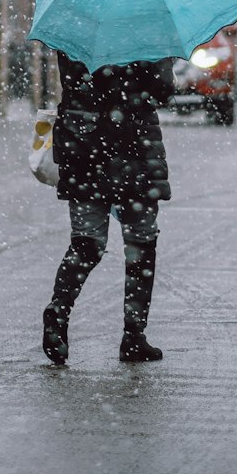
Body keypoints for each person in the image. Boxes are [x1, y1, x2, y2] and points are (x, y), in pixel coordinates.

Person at [43, 52, 173, 366]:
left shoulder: (77, 21)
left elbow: (72, 83)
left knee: (86, 243)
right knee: (140, 243)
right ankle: (133, 336)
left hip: (82, 143)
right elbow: (163, 90)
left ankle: (58, 313)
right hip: (134, 147)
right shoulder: (148, 28)